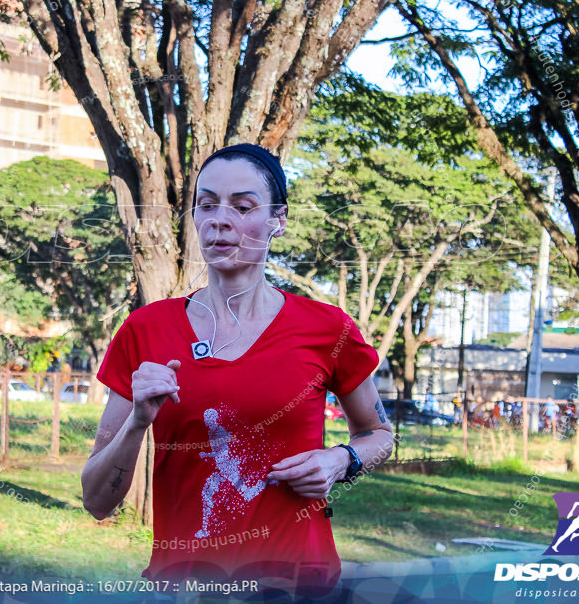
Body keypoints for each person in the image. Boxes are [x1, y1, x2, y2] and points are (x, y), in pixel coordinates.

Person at [80, 144, 393, 593]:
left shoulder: (328, 329)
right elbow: (96, 501)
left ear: (277, 220)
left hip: (299, 587)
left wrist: (341, 460)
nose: (220, 219)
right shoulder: (145, 331)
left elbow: (379, 433)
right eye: (207, 205)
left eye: (242, 206)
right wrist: (137, 423)